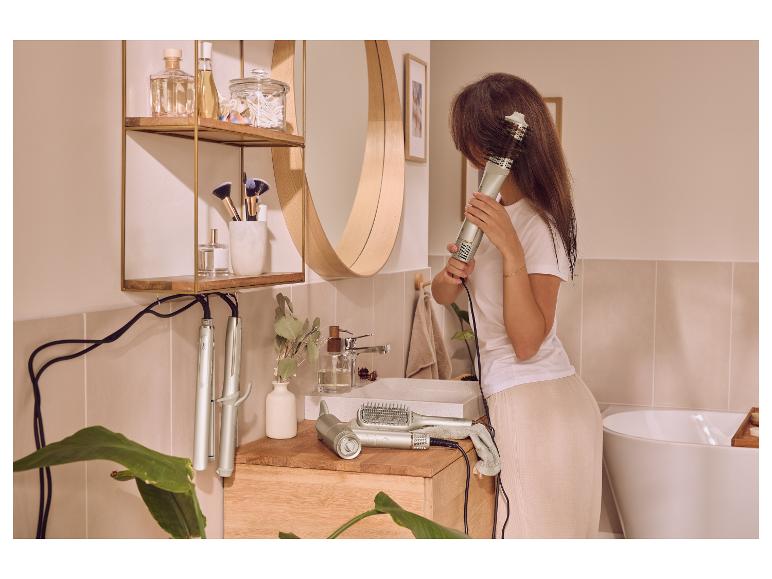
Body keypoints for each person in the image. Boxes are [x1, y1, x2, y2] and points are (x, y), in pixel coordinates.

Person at [431, 73, 602, 538]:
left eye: (471, 140)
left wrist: (511, 251)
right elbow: (444, 295)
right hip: (521, 399)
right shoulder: (494, 214)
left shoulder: (539, 226)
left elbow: (527, 343)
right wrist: (451, 274)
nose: (468, 153)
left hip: (540, 406)